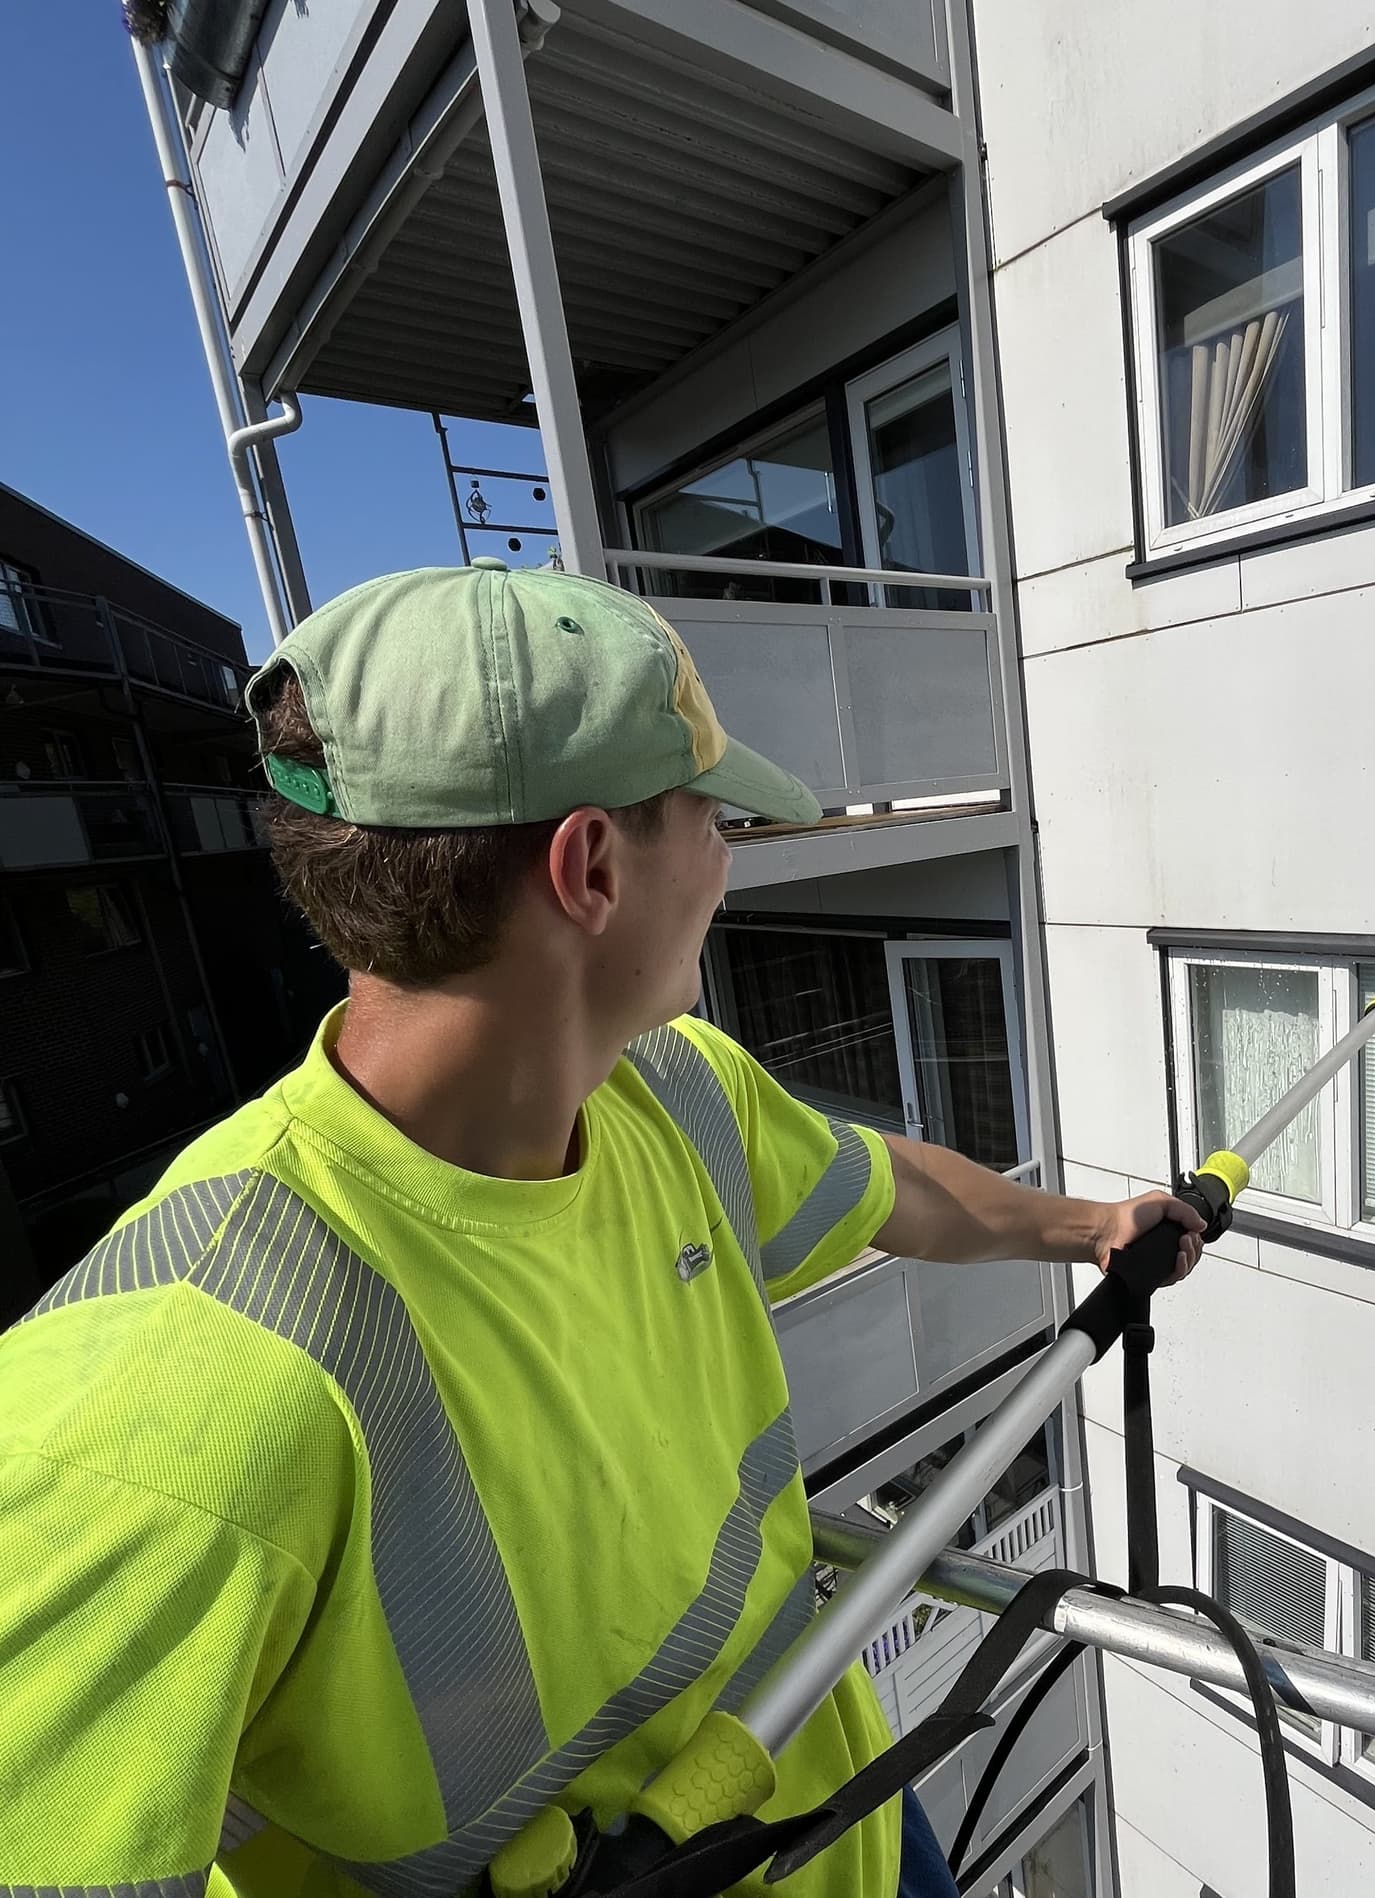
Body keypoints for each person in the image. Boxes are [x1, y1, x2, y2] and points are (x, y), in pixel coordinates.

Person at [0, 561, 1205, 1898]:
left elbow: (894, 1190)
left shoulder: (676, 1094)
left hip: (842, 1812)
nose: (730, 862)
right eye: (714, 817)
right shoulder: (189, 1374)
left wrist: (1096, 1223)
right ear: (589, 866)